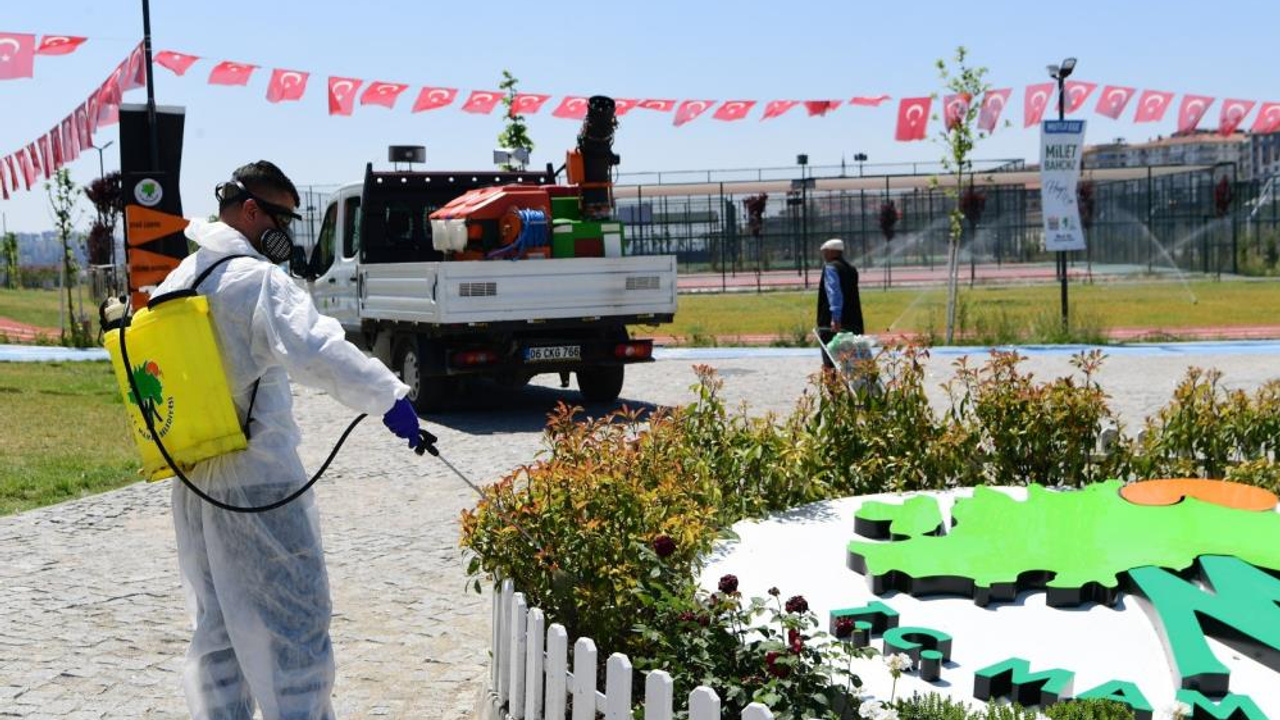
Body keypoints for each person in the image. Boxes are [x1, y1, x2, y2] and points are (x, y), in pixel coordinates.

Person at [151, 161, 424, 720]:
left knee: (219, 628)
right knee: (292, 625)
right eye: (281, 218)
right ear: (250, 210)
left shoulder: (176, 280)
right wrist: (387, 395)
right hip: (259, 482)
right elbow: (316, 349)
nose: (287, 232)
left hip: (196, 481)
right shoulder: (256, 280)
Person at [816, 238, 864, 368]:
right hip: (854, 321)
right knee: (852, 362)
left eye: (825, 252)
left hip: (833, 324)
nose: (823, 255)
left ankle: (834, 387)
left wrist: (835, 317)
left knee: (830, 360)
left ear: (832, 252)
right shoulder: (852, 269)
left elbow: (834, 293)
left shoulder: (831, 267)